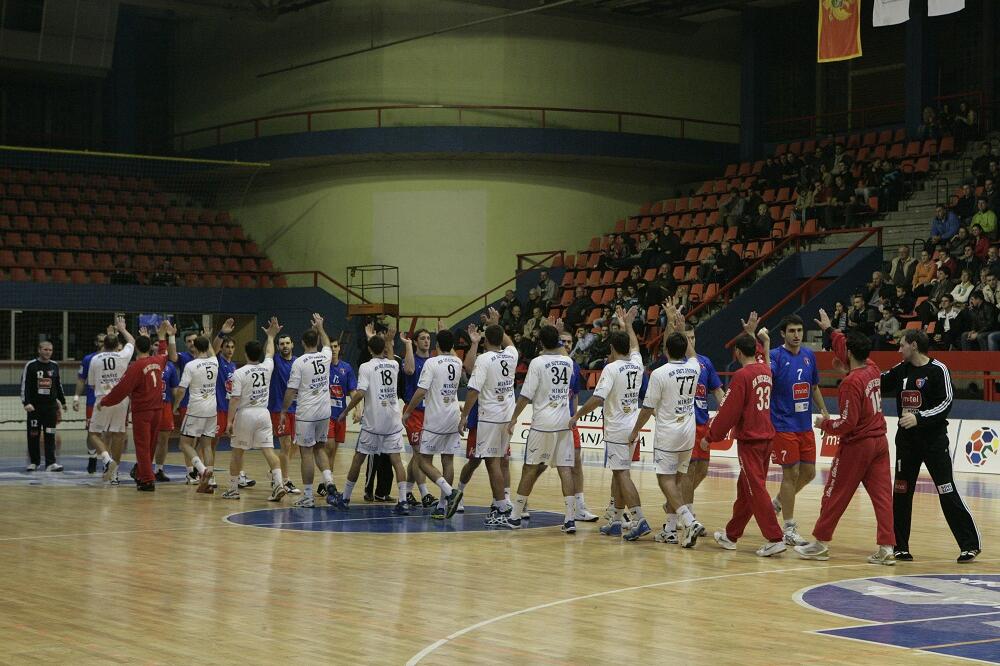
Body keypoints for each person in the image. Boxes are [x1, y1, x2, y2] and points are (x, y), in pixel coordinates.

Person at [794, 310, 895, 564]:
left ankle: (820, 543)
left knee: (834, 493)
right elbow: (845, 346)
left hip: (857, 446)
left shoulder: (851, 383)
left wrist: (825, 423)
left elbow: (847, 423)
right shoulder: (873, 368)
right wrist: (830, 331)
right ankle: (886, 548)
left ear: (849, 354)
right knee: (883, 497)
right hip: (880, 442)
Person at [881, 329, 981, 563]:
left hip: (934, 443)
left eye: (902, 345)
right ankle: (900, 547)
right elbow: (878, 381)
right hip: (907, 444)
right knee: (902, 492)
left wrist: (919, 417)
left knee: (946, 490)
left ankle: (969, 545)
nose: (899, 350)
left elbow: (946, 403)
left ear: (914, 345)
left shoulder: (938, 370)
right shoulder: (901, 369)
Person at [708, 315, 786, 557]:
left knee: (756, 489)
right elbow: (761, 354)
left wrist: (711, 436)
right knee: (746, 489)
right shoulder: (765, 369)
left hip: (751, 440)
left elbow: (728, 411)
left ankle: (775, 537)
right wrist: (754, 335)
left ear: (738, 354)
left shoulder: (742, 376)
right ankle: (732, 535)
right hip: (766, 437)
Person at [628, 326, 706, 546]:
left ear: (665, 351)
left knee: (665, 480)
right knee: (679, 480)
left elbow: (647, 408)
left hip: (668, 434)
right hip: (688, 433)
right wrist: (682, 331)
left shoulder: (659, 373)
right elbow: (691, 353)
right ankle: (670, 530)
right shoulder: (695, 367)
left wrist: (635, 431)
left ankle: (689, 521)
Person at [570, 307, 641, 537]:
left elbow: (598, 398)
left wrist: (577, 416)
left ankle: (639, 519)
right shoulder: (637, 363)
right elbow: (636, 347)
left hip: (618, 429)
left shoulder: (611, 368)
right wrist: (628, 325)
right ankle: (617, 520)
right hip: (632, 428)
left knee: (622, 474)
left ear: (611, 348)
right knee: (620, 472)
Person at [505, 325, 577, 532]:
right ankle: (570, 519)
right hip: (563, 422)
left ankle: (516, 516)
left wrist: (513, 418)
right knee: (565, 469)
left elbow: (526, 395)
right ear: (559, 342)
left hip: (543, 424)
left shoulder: (537, 363)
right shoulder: (568, 361)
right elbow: (561, 352)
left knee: (530, 468)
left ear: (541, 343)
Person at [334, 327, 410, 515]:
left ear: (369, 350)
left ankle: (345, 498)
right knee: (397, 462)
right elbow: (390, 357)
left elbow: (360, 393)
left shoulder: (366, 367)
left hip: (374, 423)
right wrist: (390, 341)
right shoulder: (393, 365)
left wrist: (346, 410)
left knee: (358, 459)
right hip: (392, 422)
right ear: (384, 348)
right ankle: (403, 501)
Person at [769, 315, 829, 546]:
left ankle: (778, 502)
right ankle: (789, 528)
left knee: (809, 473)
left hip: (804, 425)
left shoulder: (809, 356)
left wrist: (823, 410)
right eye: (792, 330)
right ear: (783, 334)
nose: (796, 335)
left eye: (800, 330)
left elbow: (813, 387)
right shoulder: (775, 356)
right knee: (790, 473)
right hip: (783, 424)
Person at [98, 325, 177, 490]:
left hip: (143, 411)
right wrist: (163, 336)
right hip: (158, 409)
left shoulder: (135, 367)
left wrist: (104, 401)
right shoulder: (158, 361)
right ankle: (142, 474)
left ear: (135, 349)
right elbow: (164, 352)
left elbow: (120, 390)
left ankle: (147, 480)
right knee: (150, 445)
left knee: (141, 446)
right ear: (149, 347)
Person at [459, 315, 519, 527]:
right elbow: (510, 343)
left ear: (485, 341)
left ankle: (502, 508)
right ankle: (501, 503)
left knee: (491, 462)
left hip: (490, 418)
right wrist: (496, 325)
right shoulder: (512, 355)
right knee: (501, 460)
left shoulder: (484, 360)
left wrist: (464, 415)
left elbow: (474, 390)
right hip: (508, 417)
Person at [221, 317, 288, 502]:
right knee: (269, 451)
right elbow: (269, 352)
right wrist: (271, 336)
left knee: (237, 452)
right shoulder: (267, 366)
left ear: (245, 352)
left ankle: (233, 489)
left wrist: (228, 421)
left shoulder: (239, 373)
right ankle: (279, 485)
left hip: (245, 414)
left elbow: (234, 399)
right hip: (263, 413)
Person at [401, 327, 464, 519]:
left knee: (422, 459)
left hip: (436, 418)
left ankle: (449, 491)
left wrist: (408, 411)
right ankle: (443, 506)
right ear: (452, 346)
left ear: (436, 345)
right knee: (448, 460)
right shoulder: (457, 361)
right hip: (453, 416)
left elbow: (420, 391)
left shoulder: (431, 362)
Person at [280, 313, 338, 508]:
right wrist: (321, 327)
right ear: (317, 341)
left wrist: (283, 411)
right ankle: (329, 481)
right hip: (324, 412)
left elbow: (291, 390)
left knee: (306, 453)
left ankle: (307, 496)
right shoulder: (325, 356)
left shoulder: (299, 362)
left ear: (303, 343)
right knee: (320, 448)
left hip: (306, 414)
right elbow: (328, 343)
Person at [85, 317, 136, 484]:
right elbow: (132, 341)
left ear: (103, 345)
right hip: (121, 401)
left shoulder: (95, 359)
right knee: (119, 435)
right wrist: (121, 328)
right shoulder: (123, 356)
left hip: (103, 399)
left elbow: (91, 385)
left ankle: (107, 460)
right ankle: (115, 475)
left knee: (94, 433)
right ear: (116, 346)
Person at [174, 333, 220, 493]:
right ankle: (210, 479)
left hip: (196, 409)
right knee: (207, 446)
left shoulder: (191, 366)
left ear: (195, 347)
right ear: (207, 347)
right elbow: (213, 352)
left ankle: (201, 470)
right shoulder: (215, 362)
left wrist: (176, 405)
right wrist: (208, 338)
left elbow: (181, 390)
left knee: (184, 443)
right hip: (212, 410)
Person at [212, 319, 253, 489]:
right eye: (226, 346)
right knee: (212, 443)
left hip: (232, 410)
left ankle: (240, 475)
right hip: (217, 408)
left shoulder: (234, 366)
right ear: (222, 348)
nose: (229, 349)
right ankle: (209, 474)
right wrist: (222, 333)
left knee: (238, 444)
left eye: (231, 347)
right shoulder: (217, 361)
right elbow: (213, 348)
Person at [401, 328, 436, 508]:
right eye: (422, 338)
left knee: (418, 456)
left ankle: (407, 492)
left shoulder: (434, 361)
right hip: (413, 411)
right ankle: (425, 494)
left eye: (428, 338)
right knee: (419, 454)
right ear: (415, 342)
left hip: (430, 412)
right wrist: (407, 345)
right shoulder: (411, 358)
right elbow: (409, 370)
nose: (426, 341)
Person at [21, 339, 67, 472]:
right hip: (34, 408)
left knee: (50, 434)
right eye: (45, 349)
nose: (48, 352)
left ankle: (50, 463)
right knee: (34, 434)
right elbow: (25, 386)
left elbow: (58, 385)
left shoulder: (54, 366)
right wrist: (26, 403)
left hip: (51, 408)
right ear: (39, 350)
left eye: (50, 350)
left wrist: (62, 402)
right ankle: (34, 462)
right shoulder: (31, 365)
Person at [322, 338, 357, 495]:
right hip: (326, 415)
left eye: (335, 346)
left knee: (333, 451)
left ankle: (327, 482)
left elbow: (353, 391)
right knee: (328, 447)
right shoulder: (322, 367)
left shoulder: (346, 368)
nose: (334, 349)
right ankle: (328, 481)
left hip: (341, 415)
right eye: (330, 347)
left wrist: (358, 408)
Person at [268, 332, 301, 495]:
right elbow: (268, 352)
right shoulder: (275, 362)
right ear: (278, 347)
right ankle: (285, 480)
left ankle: (277, 472)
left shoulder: (298, 362)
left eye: (287, 343)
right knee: (286, 444)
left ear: (292, 345)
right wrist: (270, 336)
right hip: (278, 409)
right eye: (281, 344)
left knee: (295, 445)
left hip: (297, 408)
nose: (285, 346)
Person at [73, 329, 109, 473]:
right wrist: (76, 397)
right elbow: (81, 379)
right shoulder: (89, 359)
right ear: (96, 343)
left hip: (110, 401)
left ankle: (107, 460)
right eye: (100, 341)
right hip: (92, 401)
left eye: (105, 341)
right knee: (92, 432)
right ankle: (92, 457)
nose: (102, 344)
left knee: (108, 433)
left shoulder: (115, 358)